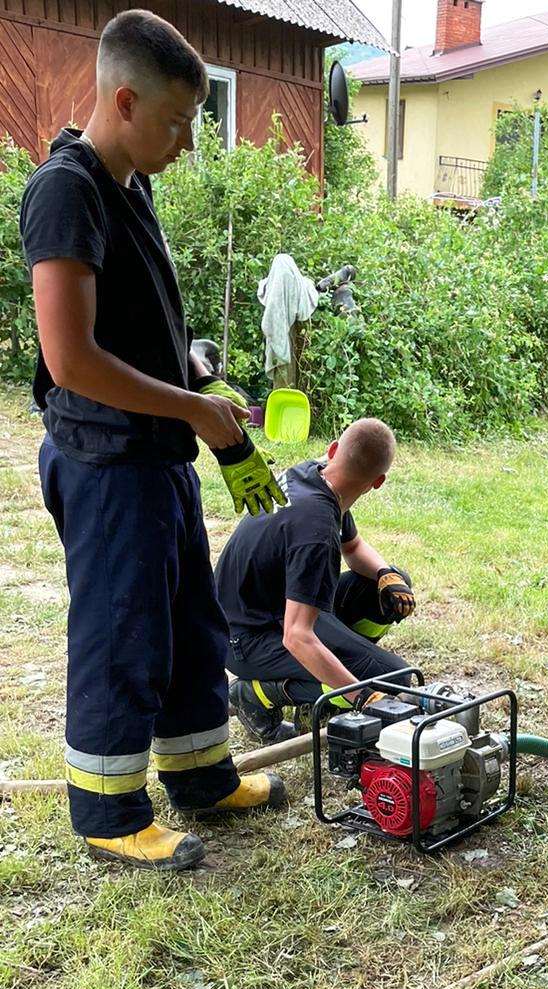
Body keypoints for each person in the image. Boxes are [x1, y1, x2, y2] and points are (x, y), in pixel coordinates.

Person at [20, 10, 288, 872]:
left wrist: (194, 372)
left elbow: (128, 327)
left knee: (187, 624)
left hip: (156, 455)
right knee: (123, 632)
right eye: (177, 121)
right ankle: (109, 813)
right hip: (106, 462)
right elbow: (69, 360)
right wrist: (186, 407)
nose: (188, 141)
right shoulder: (67, 190)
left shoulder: (131, 182)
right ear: (125, 101)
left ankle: (202, 776)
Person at [215, 420, 418, 740]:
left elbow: (353, 547)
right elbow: (297, 637)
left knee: (388, 588)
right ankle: (255, 694)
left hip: (275, 609)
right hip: (247, 640)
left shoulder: (313, 476)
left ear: (333, 449)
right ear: (377, 482)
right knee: (390, 680)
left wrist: (386, 574)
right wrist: (362, 696)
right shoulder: (316, 529)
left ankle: (335, 676)